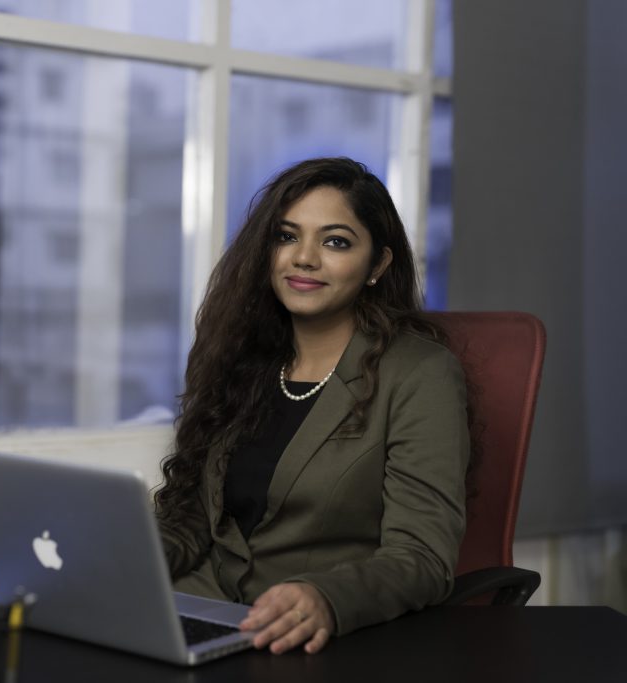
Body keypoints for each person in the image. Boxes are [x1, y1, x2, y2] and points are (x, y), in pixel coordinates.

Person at [155, 157, 470, 656]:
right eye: (286, 236)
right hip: (203, 611)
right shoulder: (243, 358)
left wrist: (326, 598)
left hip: (306, 634)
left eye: (335, 241)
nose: (303, 257)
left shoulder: (419, 373)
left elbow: (422, 558)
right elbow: (194, 519)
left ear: (377, 265)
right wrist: (124, 559)